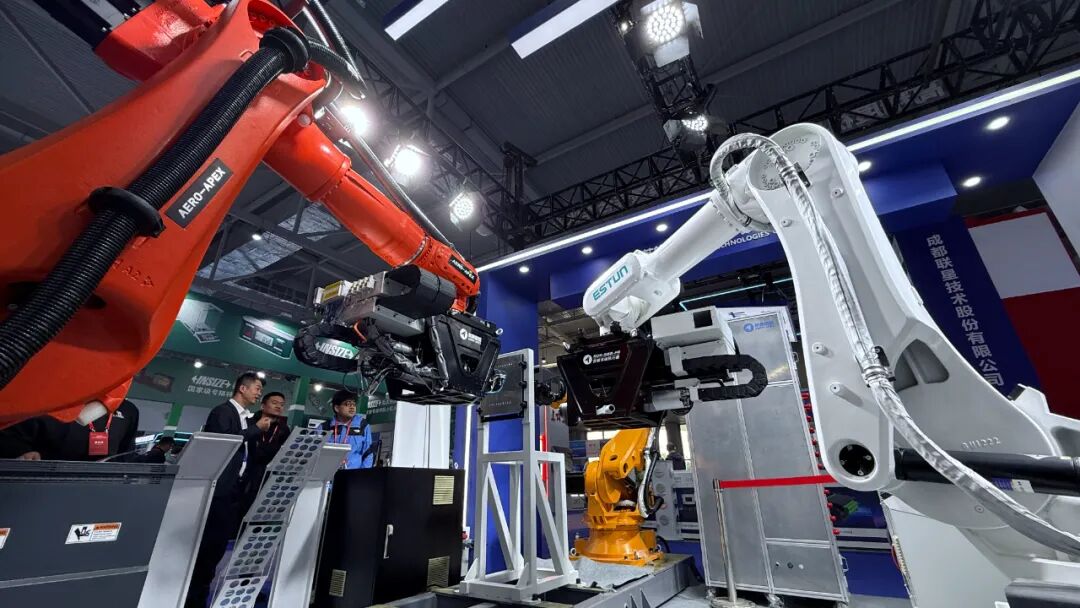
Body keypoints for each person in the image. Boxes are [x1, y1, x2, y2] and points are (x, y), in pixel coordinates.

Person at [186, 372, 267, 608]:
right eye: (256, 388)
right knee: (209, 547)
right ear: (242, 388)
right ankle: (193, 597)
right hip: (219, 490)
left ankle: (202, 593)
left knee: (219, 546)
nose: (259, 393)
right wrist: (256, 429)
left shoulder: (246, 418)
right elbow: (224, 442)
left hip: (235, 490)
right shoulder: (223, 412)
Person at [0, 399, 140, 461]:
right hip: (41, 483)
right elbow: (9, 436)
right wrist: (22, 453)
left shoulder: (128, 410)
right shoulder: (47, 400)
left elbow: (124, 454)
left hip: (98, 489)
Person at [238, 391, 290, 513]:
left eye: (282, 404)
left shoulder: (284, 428)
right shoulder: (250, 422)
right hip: (246, 476)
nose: (278, 406)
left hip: (269, 478)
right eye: (274, 403)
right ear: (263, 405)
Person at [320, 390, 375, 470]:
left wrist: (362, 474)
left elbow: (368, 454)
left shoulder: (362, 426)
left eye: (354, 404)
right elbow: (315, 452)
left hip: (353, 475)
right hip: (328, 474)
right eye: (347, 404)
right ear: (337, 408)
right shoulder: (325, 427)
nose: (352, 407)